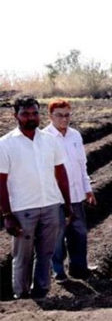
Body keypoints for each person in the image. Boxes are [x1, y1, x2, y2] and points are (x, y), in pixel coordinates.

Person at [0, 96, 73, 299]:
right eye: (25, 114)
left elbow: (61, 173)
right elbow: (1, 182)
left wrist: (67, 203)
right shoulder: (5, 144)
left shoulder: (50, 140)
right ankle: (21, 296)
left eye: (34, 113)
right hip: (23, 209)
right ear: (15, 116)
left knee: (45, 254)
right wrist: (7, 214)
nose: (30, 117)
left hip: (50, 205)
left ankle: (41, 292)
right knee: (22, 256)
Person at [43, 99, 97, 281]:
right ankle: (59, 272)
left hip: (76, 195)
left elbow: (82, 164)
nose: (64, 119)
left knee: (79, 232)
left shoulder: (75, 135)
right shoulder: (44, 138)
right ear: (50, 116)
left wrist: (87, 189)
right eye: (59, 115)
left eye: (67, 115)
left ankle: (79, 267)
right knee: (57, 237)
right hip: (55, 198)